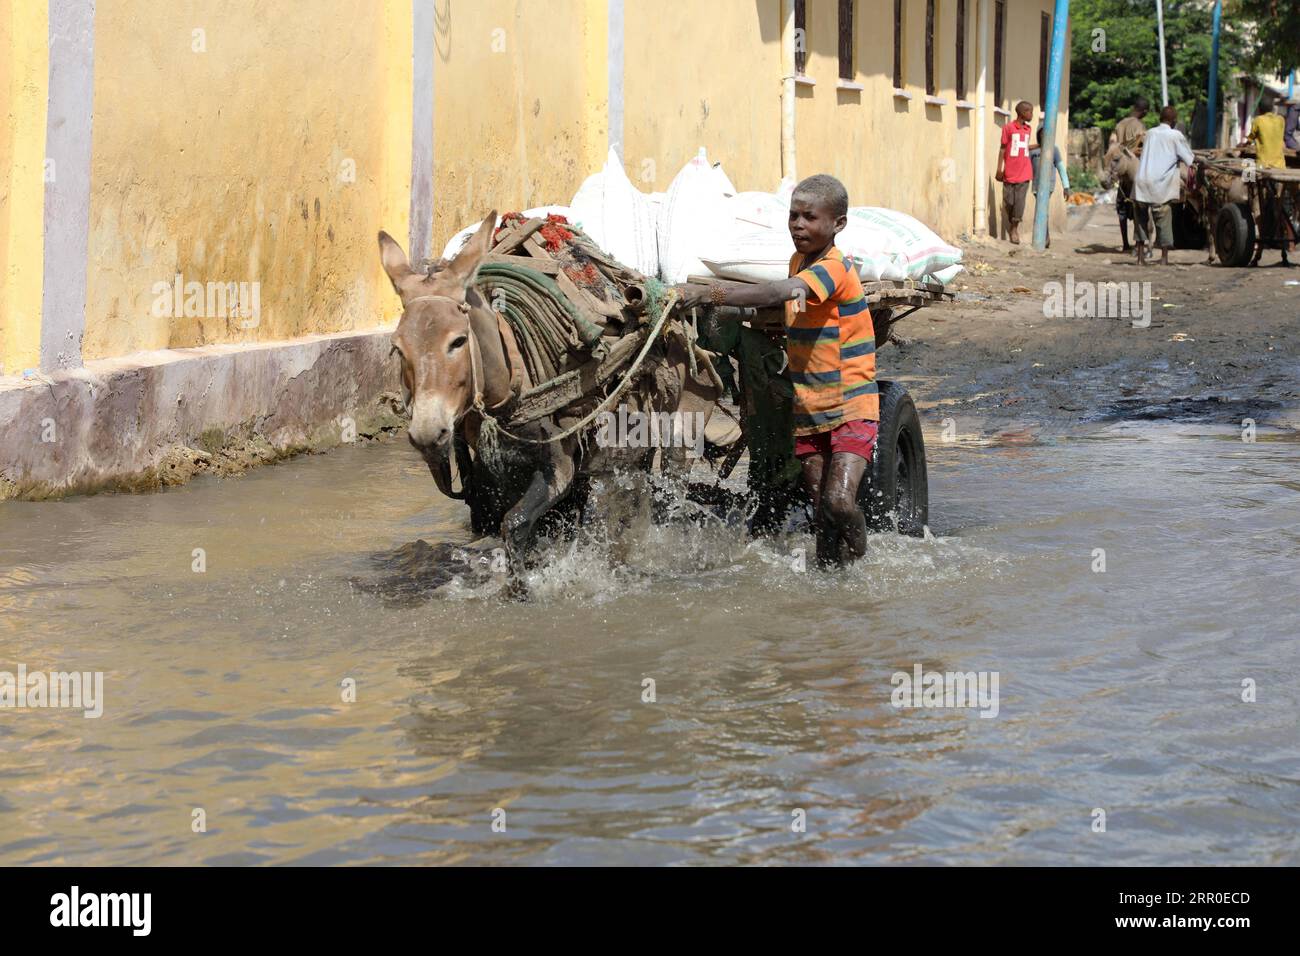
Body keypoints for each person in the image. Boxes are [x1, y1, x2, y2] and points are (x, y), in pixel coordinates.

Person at [674, 174, 876, 568]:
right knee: (822, 514)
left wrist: (709, 294)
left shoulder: (834, 267)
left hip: (851, 403)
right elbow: (788, 307)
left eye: (810, 218)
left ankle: (863, 547)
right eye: (793, 216)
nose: (798, 225)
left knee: (838, 503)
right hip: (809, 407)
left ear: (838, 224)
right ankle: (832, 592)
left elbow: (777, 293)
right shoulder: (799, 262)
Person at [1133, 105, 1194, 266]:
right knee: (1163, 219)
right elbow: (1190, 159)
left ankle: (1140, 258)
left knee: (1141, 220)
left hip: (1141, 182)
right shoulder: (1175, 135)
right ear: (1173, 121)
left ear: (1160, 118)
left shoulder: (1150, 133)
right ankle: (1164, 257)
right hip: (1159, 185)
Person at [1111, 98, 1149, 253]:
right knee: (1138, 207)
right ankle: (1140, 244)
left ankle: (1125, 244)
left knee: (1121, 206)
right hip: (1134, 169)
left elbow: (1116, 146)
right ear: (1145, 112)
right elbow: (1142, 147)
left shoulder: (1120, 124)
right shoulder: (1139, 126)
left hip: (1122, 169)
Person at [996, 101, 1035, 244]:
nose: (1031, 114)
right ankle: (1012, 221)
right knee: (1008, 202)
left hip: (1025, 172)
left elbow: (1023, 147)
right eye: (1029, 111)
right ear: (1021, 112)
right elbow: (1002, 149)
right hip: (1009, 172)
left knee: (1019, 202)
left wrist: (1039, 145)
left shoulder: (1028, 129)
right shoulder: (1008, 128)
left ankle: (1014, 229)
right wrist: (999, 168)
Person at [1029, 124, 1071, 246]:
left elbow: (1061, 168)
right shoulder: (1033, 151)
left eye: (1046, 133)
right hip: (1036, 185)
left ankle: (1045, 237)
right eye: (1041, 133)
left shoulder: (1054, 149)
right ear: (1038, 135)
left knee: (1042, 209)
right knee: (1040, 210)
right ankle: (1044, 236)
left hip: (1049, 185)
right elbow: (1027, 167)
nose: (1043, 135)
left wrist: (1066, 187)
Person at [1248, 99, 1287, 169]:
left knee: (1248, 170)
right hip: (1280, 165)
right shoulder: (1281, 120)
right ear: (1272, 108)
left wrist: (1246, 143)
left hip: (1263, 164)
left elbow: (1251, 138)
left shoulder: (1258, 120)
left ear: (1259, 109)